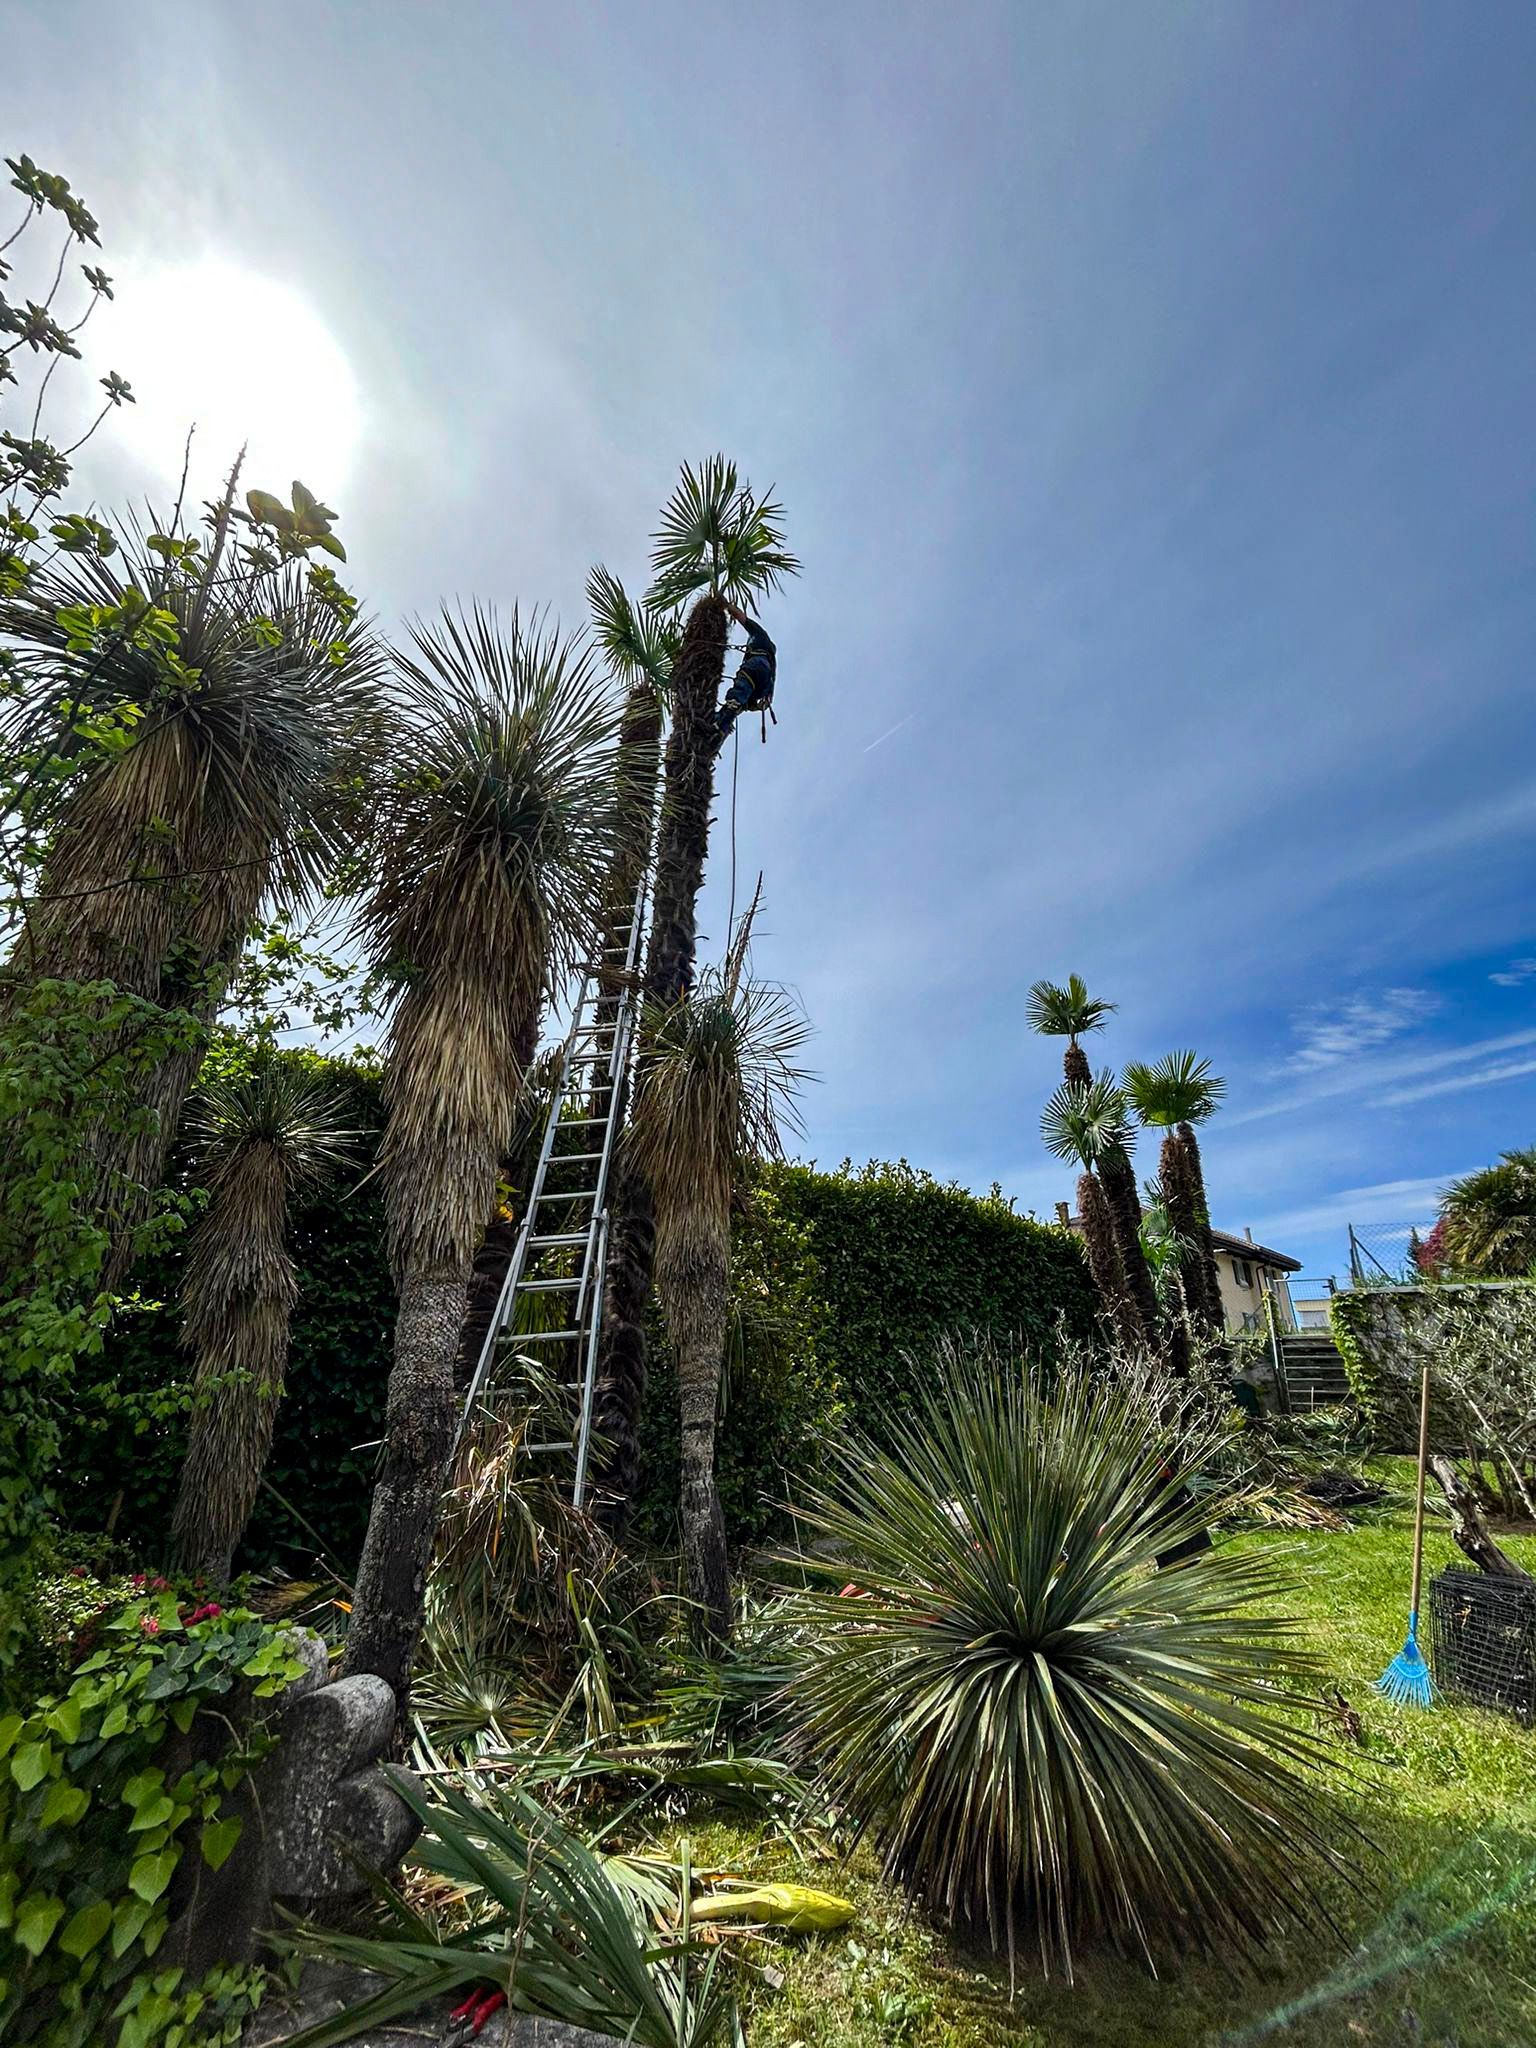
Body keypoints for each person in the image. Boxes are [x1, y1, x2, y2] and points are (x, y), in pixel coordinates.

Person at [716, 601, 777, 734]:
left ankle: (725, 716)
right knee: (745, 702)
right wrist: (758, 706)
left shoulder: (760, 635)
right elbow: (768, 695)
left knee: (741, 687)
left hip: (756, 665)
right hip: (764, 682)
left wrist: (725, 604)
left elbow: (741, 617)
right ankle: (722, 724)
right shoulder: (772, 661)